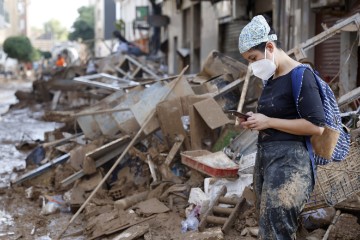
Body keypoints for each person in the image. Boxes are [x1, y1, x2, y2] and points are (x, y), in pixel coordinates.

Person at [238, 15, 325, 239]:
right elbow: (275, 115)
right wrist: (254, 119)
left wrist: (268, 121)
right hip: (269, 162)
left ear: (269, 46)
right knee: (273, 229)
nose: (252, 65)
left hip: (291, 165)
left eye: (253, 58)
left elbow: (317, 127)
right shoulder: (271, 78)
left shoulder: (302, 76)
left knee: (275, 232)